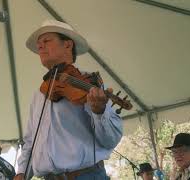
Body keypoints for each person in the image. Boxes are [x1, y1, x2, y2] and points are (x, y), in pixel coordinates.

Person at [14, 20, 123, 180]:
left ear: (67, 45)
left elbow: (110, 140)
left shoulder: (88, 83)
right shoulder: (39, 93)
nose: (40, 47)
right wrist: (21, 172)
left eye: (46, 41)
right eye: (39, 44)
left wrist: (99, 111)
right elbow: (31, 140)